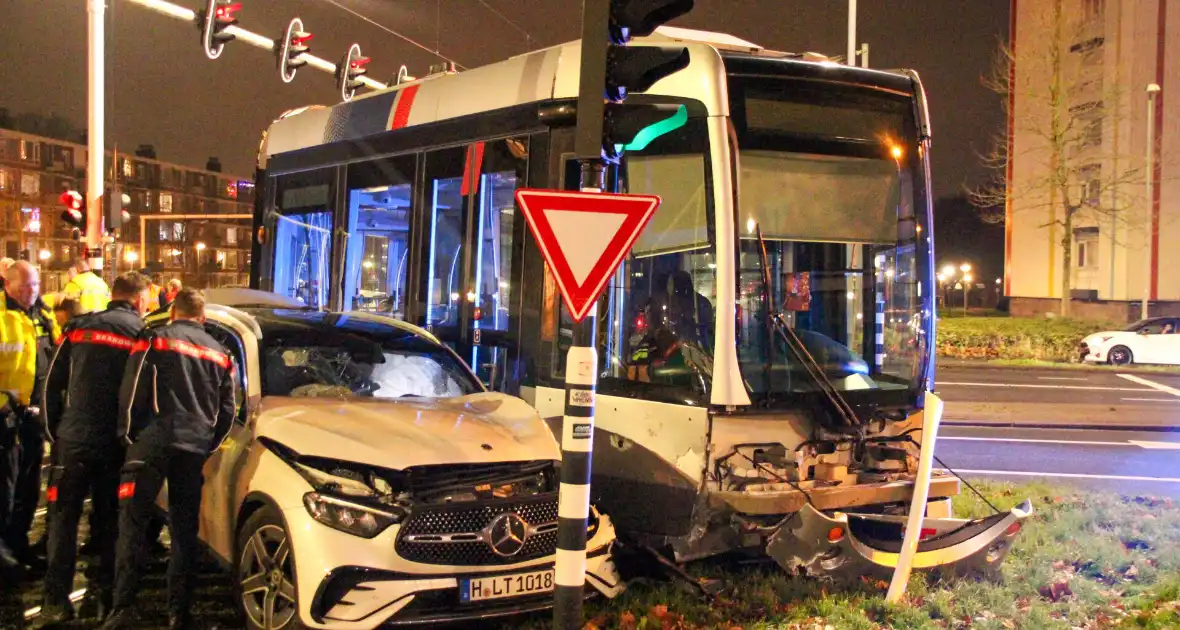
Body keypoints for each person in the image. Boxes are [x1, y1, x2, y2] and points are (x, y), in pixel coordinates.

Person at [103, 289, 235, 630]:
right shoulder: (221, 354)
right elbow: (227, 412)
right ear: (202, 318)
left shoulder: (155, 339)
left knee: (132, 525)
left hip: (152, 443)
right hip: (193, 450)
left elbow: (131, 393)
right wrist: (207, 445)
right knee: (184, 531)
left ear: (173, 313)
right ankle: (179, 611)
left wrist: (130, 438)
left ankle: (123, 607)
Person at [35, 273, 151, 625]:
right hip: (115, 445)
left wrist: (54, 432)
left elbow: (50, 384)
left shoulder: (79, 328)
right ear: (140, 300)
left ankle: (55, 602)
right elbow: (145, 394)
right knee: (109, 523)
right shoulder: (141, 334)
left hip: (73, 441)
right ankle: (105, 598)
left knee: (63, 522)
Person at [0, 261, 61, 577]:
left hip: (35, 415)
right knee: (4, 487)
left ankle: (18, 544)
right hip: (4, 416)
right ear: (8, 284)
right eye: (25, 286)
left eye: (35, 285)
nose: (32, 291)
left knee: (28, 485)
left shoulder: (42, 313)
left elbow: (54, 356)